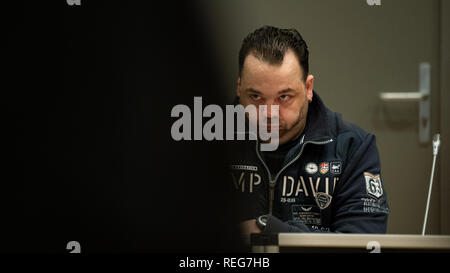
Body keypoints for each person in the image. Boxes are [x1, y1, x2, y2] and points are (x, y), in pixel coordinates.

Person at [229, 26, 389, 235]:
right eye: (256, 97)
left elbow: (362, 241)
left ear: (308, 88)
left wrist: (266, 229)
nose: (269, 113)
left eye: (284, 97)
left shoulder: (352, 147)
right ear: (239, 88)